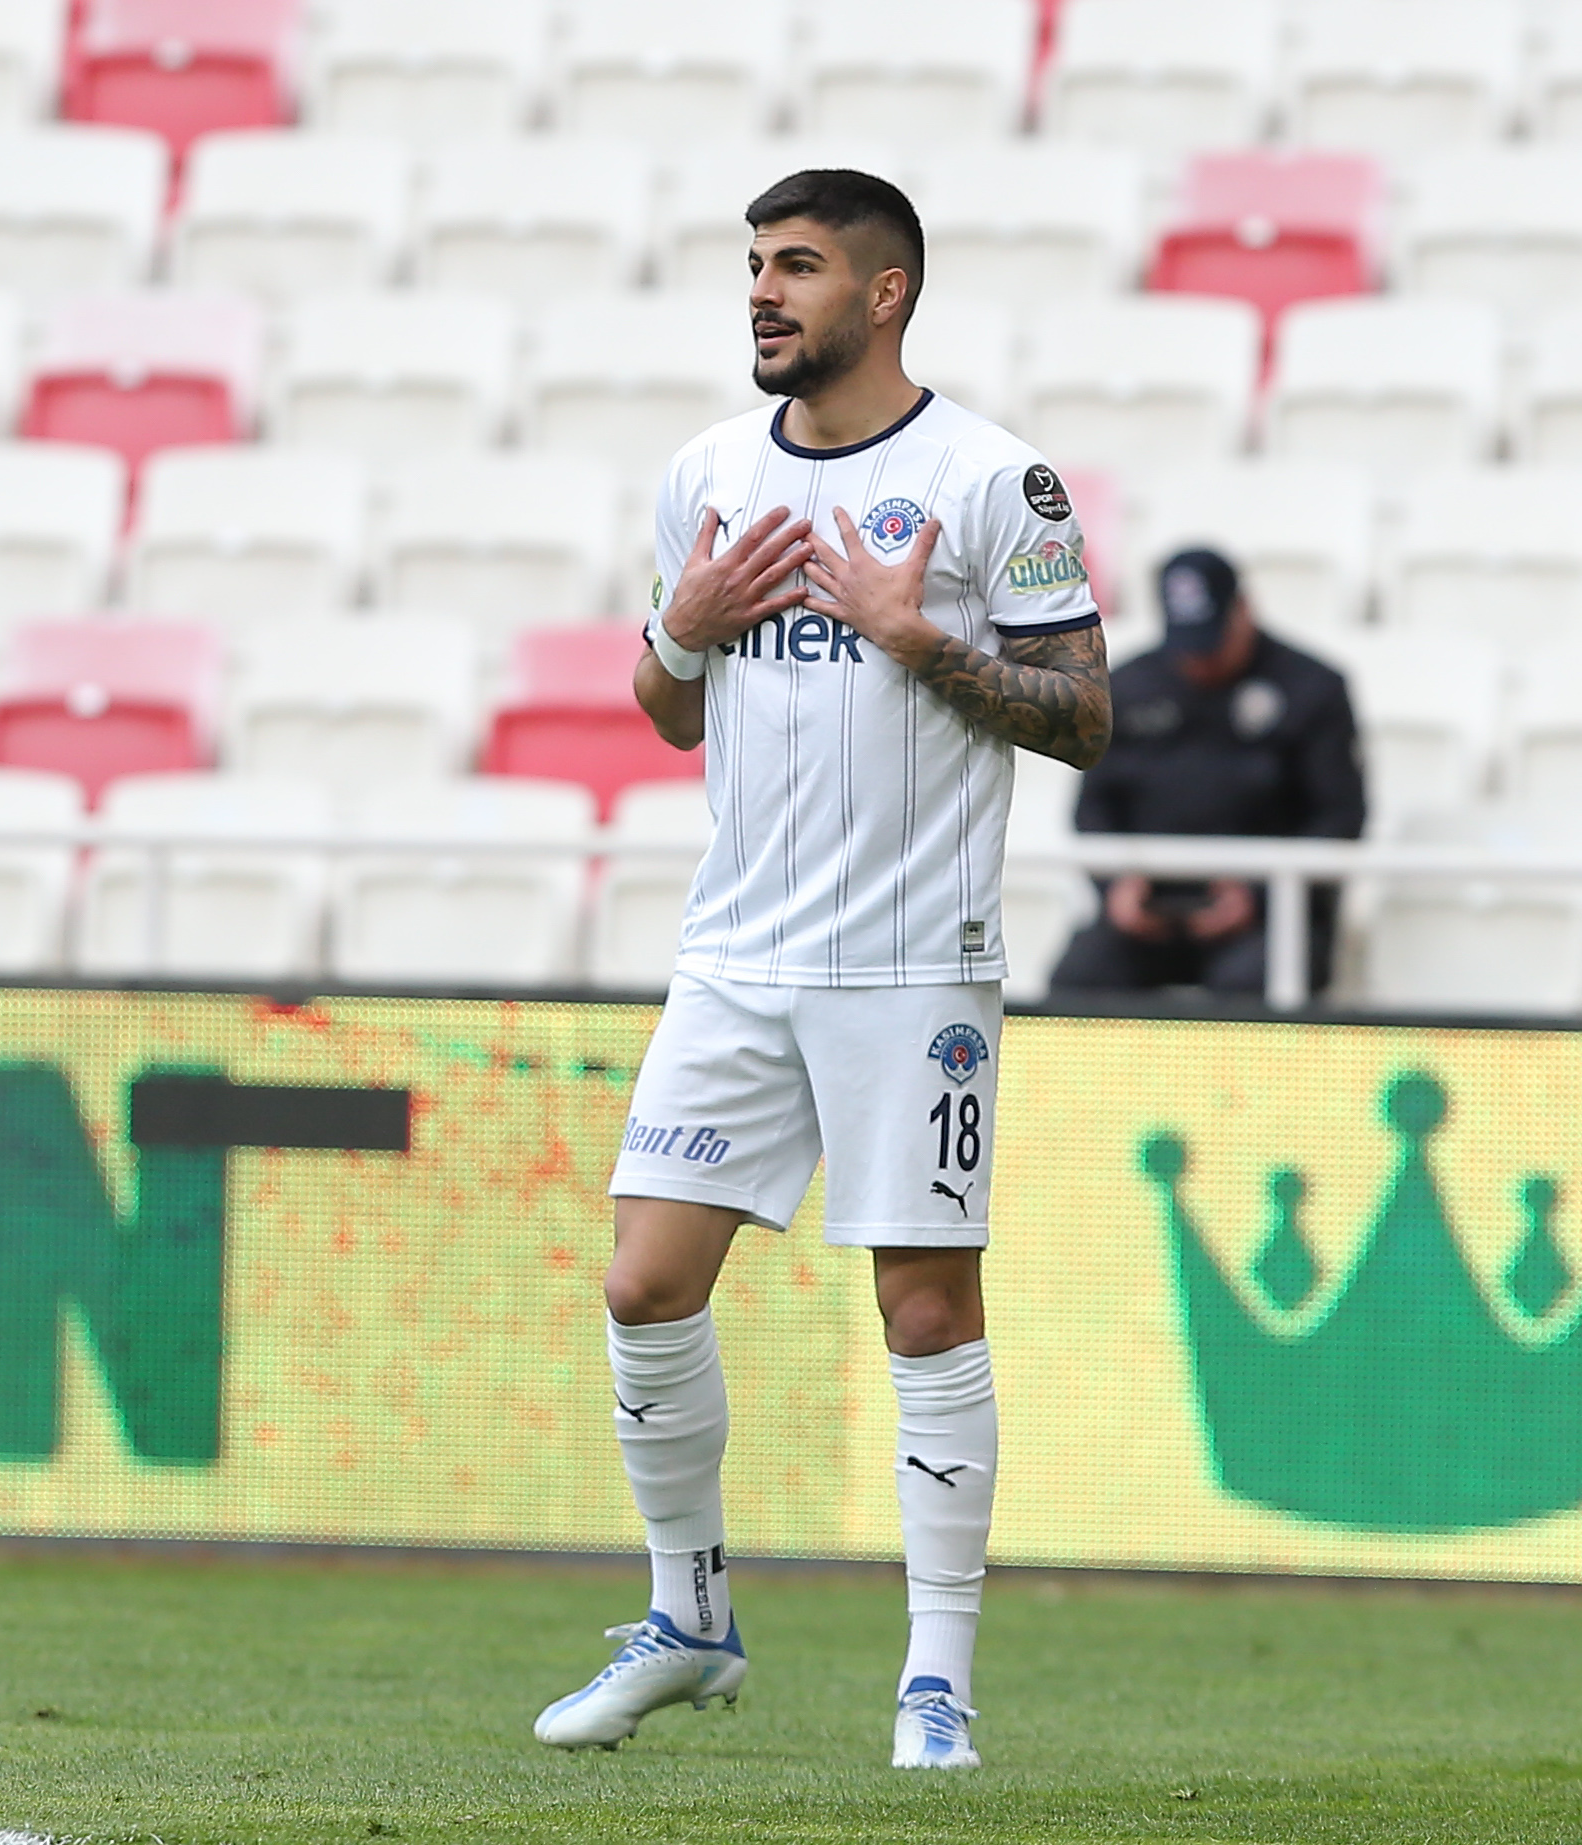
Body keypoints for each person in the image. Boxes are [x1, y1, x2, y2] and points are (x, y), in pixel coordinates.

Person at [531, 170, 1111, 1772]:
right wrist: (683, 627)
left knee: (922, 1307)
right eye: (753, 266)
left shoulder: (992, 480)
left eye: (796, 266)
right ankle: (688, 1617)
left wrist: (916, 638)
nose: (762, 292)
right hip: (734, 954)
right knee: (643, 1284)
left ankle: (935, 1684)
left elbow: (1084, 718)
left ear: (884, 292)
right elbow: (668, 710)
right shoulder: (708, 476)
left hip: (915, 966)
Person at [1049, 546, 1365, 998]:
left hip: (1269, 917)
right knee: (1081, 978)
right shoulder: (1127, 687)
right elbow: (1094, 808)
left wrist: (1256, 898)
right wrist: (1116, 887)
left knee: (1247, 989)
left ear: (1243, 610)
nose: (1200, 660)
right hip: (1151, 912)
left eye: (1213, 641)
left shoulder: (1312, 688)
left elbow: (1339, 818)